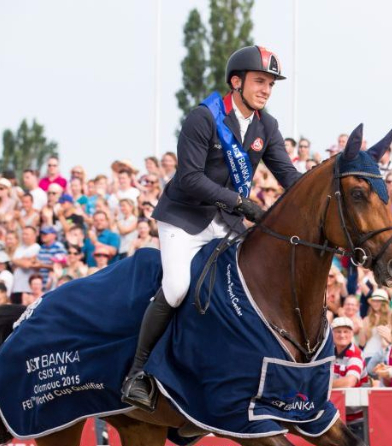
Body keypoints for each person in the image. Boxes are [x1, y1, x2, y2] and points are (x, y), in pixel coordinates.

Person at [122, 45, 300, 410]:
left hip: (227, 222)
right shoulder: (203, 118)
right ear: (236, 82)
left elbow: (287, 175)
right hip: (185, 219)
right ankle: (136, 374)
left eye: (271, 84)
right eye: (260, 81)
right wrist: (238, 201)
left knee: (248, 284)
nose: (266, 89)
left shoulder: (267, 125)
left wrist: (319, 190)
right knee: (176, 288)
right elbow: (189, 179)